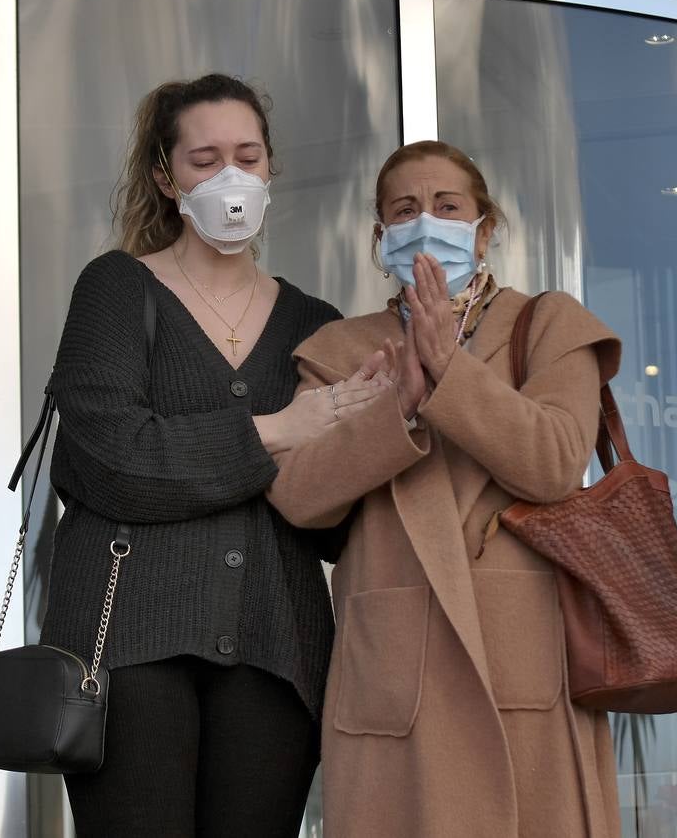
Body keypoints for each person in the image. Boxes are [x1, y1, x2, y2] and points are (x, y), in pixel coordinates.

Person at [40, 73, 386, 838]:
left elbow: (327, 516)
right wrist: (277, 430)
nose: (229, 176)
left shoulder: (315, 321)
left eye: (246, 154)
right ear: (166, 177)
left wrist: (387, 421)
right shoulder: (116, 288)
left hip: (277, 644)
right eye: (203, 159)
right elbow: (113, 462)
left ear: (270, 169)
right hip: (127, 639)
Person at [267, 140, 623, 838]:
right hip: (397, 668)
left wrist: (447, 372)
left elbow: (554, 462)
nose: (425, 222)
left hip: (525, 659)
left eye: (447, 205)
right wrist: (398, 404)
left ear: (484, 227)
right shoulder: (339, 349)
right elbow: (298, 495)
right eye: (404, 209)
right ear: (379, 236)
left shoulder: (548, 326)